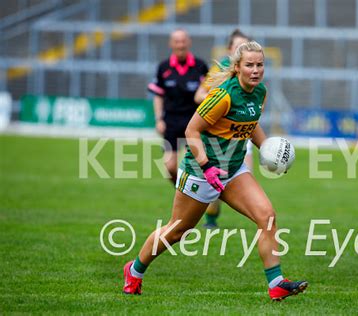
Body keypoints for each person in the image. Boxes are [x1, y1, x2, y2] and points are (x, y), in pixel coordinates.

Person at [124, 41, 308, 301]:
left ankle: (276, 282)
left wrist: (270, 150)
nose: (256, 70)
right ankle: (134, 270)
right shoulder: (223, 96)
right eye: (250, 65)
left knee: (266, 216)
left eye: (260, 65)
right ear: (237, 67)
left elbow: (250, 124)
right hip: (201, 172)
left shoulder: (260, 93)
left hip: (232, 170)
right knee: (177, 231)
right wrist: (207, 167)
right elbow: (191, 131)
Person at [194, 29, 252, 228]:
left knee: (246, 175)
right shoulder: (220, 70)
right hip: (221, 136)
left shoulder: (251, 71)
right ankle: (211, 216)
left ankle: (257, 215)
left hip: (243, 133)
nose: (241, 50)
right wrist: (219, 102)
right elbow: (198, 95)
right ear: (229, 50)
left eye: (245, 46)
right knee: (218, 183)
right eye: (238, 46)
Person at [147, 28, 209, 183]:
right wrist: (159, 119)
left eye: (183, 41)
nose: (180, 45)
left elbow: (210, 95)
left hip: (194, 121)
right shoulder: (164, 67)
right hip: (171, 122)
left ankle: (196, 196)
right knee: (169, 167)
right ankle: (182, 190)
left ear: (188, 42)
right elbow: (158, 96)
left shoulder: (200, 66)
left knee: (198, 166)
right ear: (171, 44)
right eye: (177, 41)